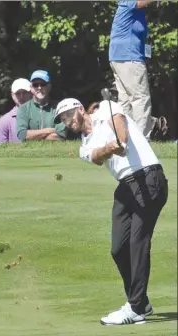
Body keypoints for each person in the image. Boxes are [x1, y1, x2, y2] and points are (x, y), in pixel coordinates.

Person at [54, 97, 168, 325]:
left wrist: (121, 142)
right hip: (126, 186)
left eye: (67, 116)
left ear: (78, 110)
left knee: (138, 243)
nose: (66, 122)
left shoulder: (106, 108)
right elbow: (96, 157)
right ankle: (142, 301)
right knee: (118, 249)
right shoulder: (84, 145)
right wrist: (109, 148)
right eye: (61, 120)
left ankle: (135, 308)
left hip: (149, 176)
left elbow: (119, 124)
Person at [109, 0, 155, 139]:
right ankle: (142, 143)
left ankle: (126, 141)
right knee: (140, 99)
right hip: (129, 57)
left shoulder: (135, 11)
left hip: (120, 58)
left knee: (125, 101)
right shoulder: (128, 3)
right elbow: (140, 2)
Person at [16, 70, 67, 142]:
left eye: (43, 84)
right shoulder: (23, 109)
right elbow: (22, 135)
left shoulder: (60, 107)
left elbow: (61, 135)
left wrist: (32, 137)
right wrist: (49, 130)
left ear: (49, 86)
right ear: (31, 87)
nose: (39, 88)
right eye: (35, 85)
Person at [0, 78, 31, 144]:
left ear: (31, 93)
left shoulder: (41, 115)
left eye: (25, 92)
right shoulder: (3, 122)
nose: (21, 96)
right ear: (12, 95)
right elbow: (0, 152)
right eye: (18, 93)